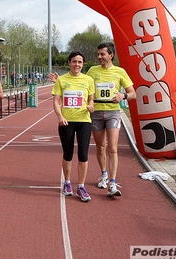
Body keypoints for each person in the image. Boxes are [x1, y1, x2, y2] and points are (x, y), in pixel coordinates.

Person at [87, 42, 136, 196]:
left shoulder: (120, 72)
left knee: (113, 148)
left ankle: (113, 183)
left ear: (111, 55)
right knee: (101, 146)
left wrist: (123, 95)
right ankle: (104, 174)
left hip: (113, 112)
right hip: (96, 113)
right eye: (98, 54)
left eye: (102, 54)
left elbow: (133, 93)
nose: (99, 57)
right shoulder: (92, 70)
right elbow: (84, 87)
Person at [52, 51, 95, 202]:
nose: (77, 65)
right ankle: (68, 182)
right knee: (68, 153)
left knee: (83, 155)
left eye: (80, 62)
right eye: (74, 61)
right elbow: (56, 101)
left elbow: (91, 100)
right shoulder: (61, 80)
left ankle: (81, 186)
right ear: (69, 63)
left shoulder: (88, 80)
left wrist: (90, 106)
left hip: (84, 121)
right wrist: (60, 116)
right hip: (66, 121)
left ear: (83, 64)